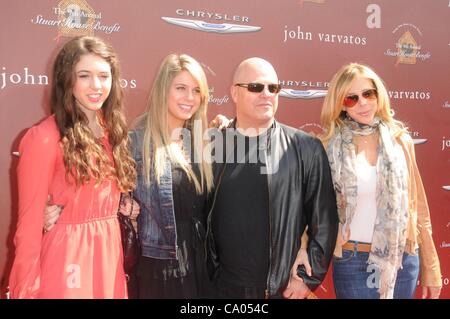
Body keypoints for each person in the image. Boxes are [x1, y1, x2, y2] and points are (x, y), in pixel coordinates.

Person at [8, 36, 136, 298]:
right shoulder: (44, 137)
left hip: (108, 256)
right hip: (67, 262)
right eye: (84, 75)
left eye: (104, 75)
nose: (97, 85)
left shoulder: (113, 133)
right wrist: (25, 290)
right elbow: (29, 228)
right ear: (67, 80)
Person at [205, 57, 339, 299]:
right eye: (256, 87)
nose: (266, 94)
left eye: (273, 88)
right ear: (235, 93)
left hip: (281, 290)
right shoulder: (211, 146)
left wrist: (308, 279)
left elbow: (325, 221)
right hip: (220, 290)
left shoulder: (306, 148)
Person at [318, 62, 442, 299]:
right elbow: (313, 209)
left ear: (378, 94)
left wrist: (431, 267)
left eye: (368, 93)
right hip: (353, 260)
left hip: (402, 258)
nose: (363, 102)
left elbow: (418, 208)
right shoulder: (328, 146)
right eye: (351, 98)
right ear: (339, 103)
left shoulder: (399, 140)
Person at [129, 53, 214, 298]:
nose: (190, 97)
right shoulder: (137, 143)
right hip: (160, 266)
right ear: (163, 90)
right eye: (181, 88)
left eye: (196, 90)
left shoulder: (202, 143)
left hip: (200, 263)